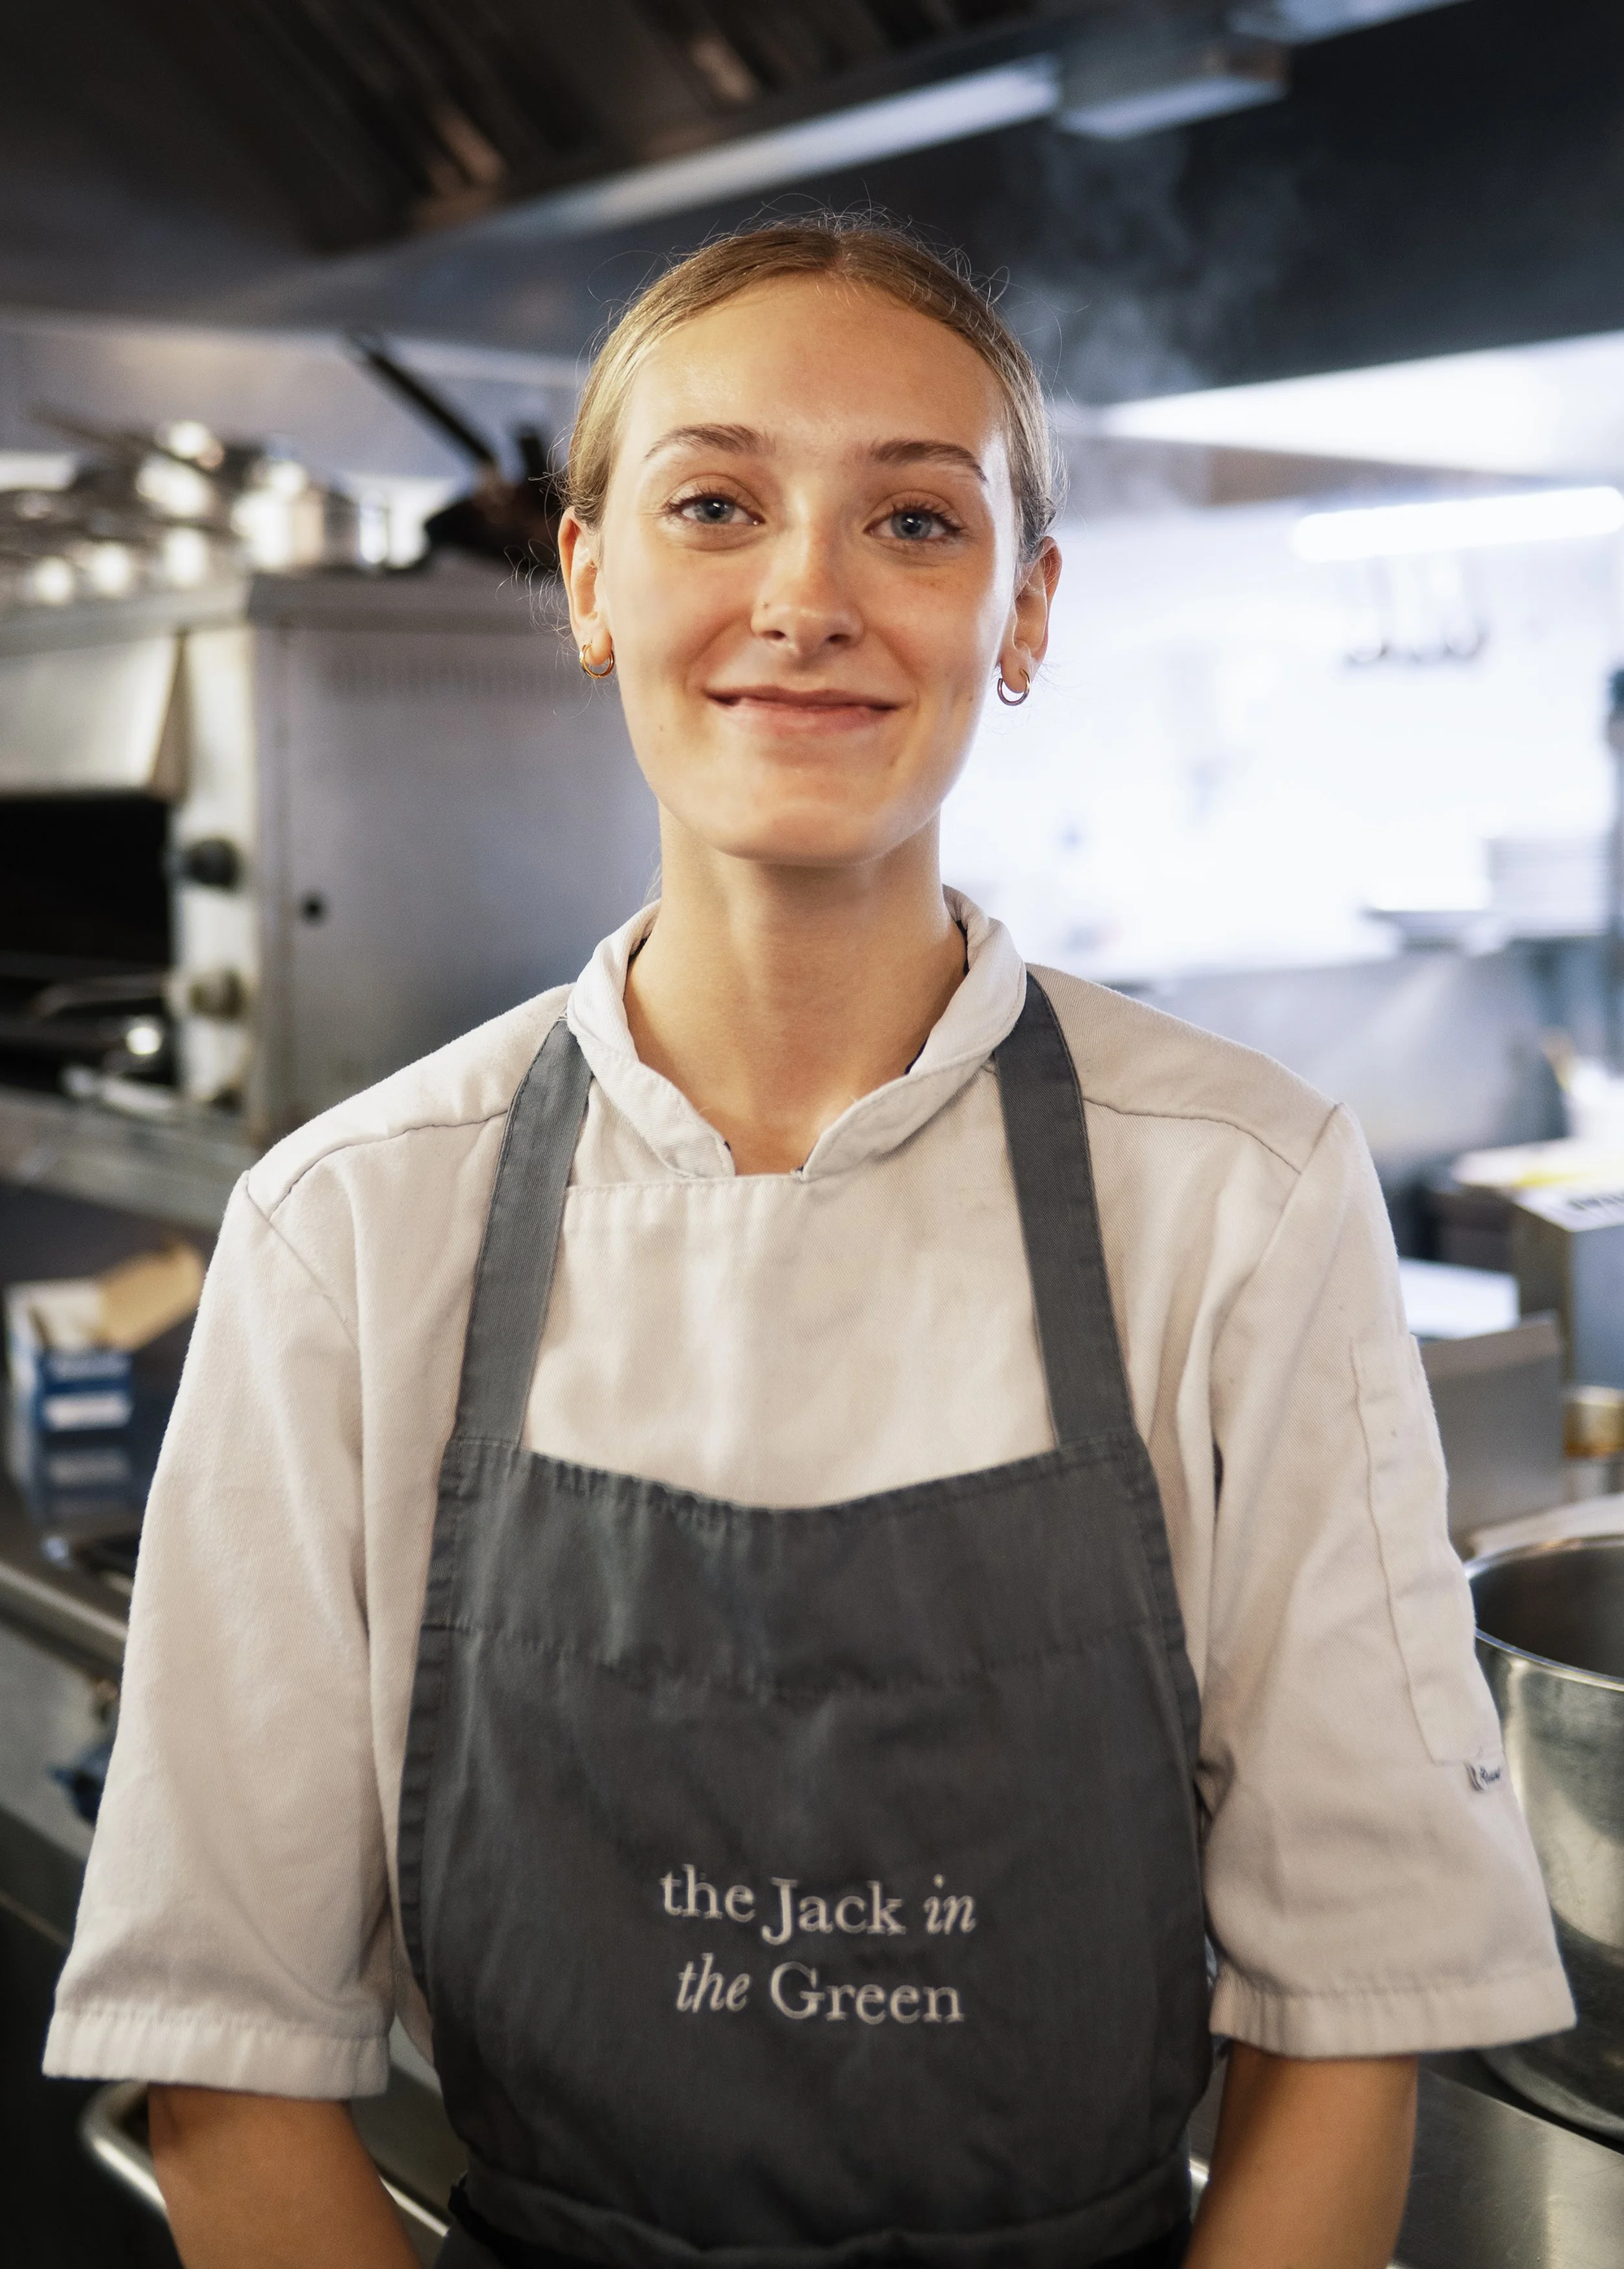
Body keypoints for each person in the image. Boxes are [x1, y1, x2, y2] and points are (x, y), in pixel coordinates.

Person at [46, 219, 1570, 2269]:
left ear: (1023, 610)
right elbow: (224, 2054)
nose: (805, 598)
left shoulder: (1242, 1192)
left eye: (915, 521)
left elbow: (1352, 2008)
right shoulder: (346, 1227)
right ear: (589, 581)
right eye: (712, 503)